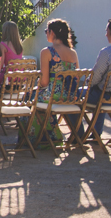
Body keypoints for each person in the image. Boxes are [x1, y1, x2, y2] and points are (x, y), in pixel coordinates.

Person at [22, 19, 79, 147]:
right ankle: (50, 135)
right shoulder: (73, 53)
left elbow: (45, 81)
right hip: (70, 95)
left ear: (52, 32)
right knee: (34, 96)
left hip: (53, 95)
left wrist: (36, 85)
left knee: (27, 97)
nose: (46, 33)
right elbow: (76, 77)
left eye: (46, 31)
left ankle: (39, 139)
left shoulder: (47, 52)